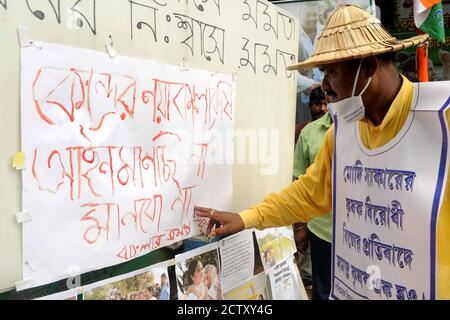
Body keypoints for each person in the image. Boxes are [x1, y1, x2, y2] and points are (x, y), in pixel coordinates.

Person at [195, 5, 450, 300]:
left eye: (331, 72)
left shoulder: (442, 121)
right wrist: (247, 217)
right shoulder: (341, 134)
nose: (325, 85)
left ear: (368, 66)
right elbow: (307, 193)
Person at [293, 87, 332, 300]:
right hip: (321, 231)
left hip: (360, 233)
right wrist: (300, 226)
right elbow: (299, 182)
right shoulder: (309, 132)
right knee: (322, 291)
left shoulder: (365, 127)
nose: (324, 107)